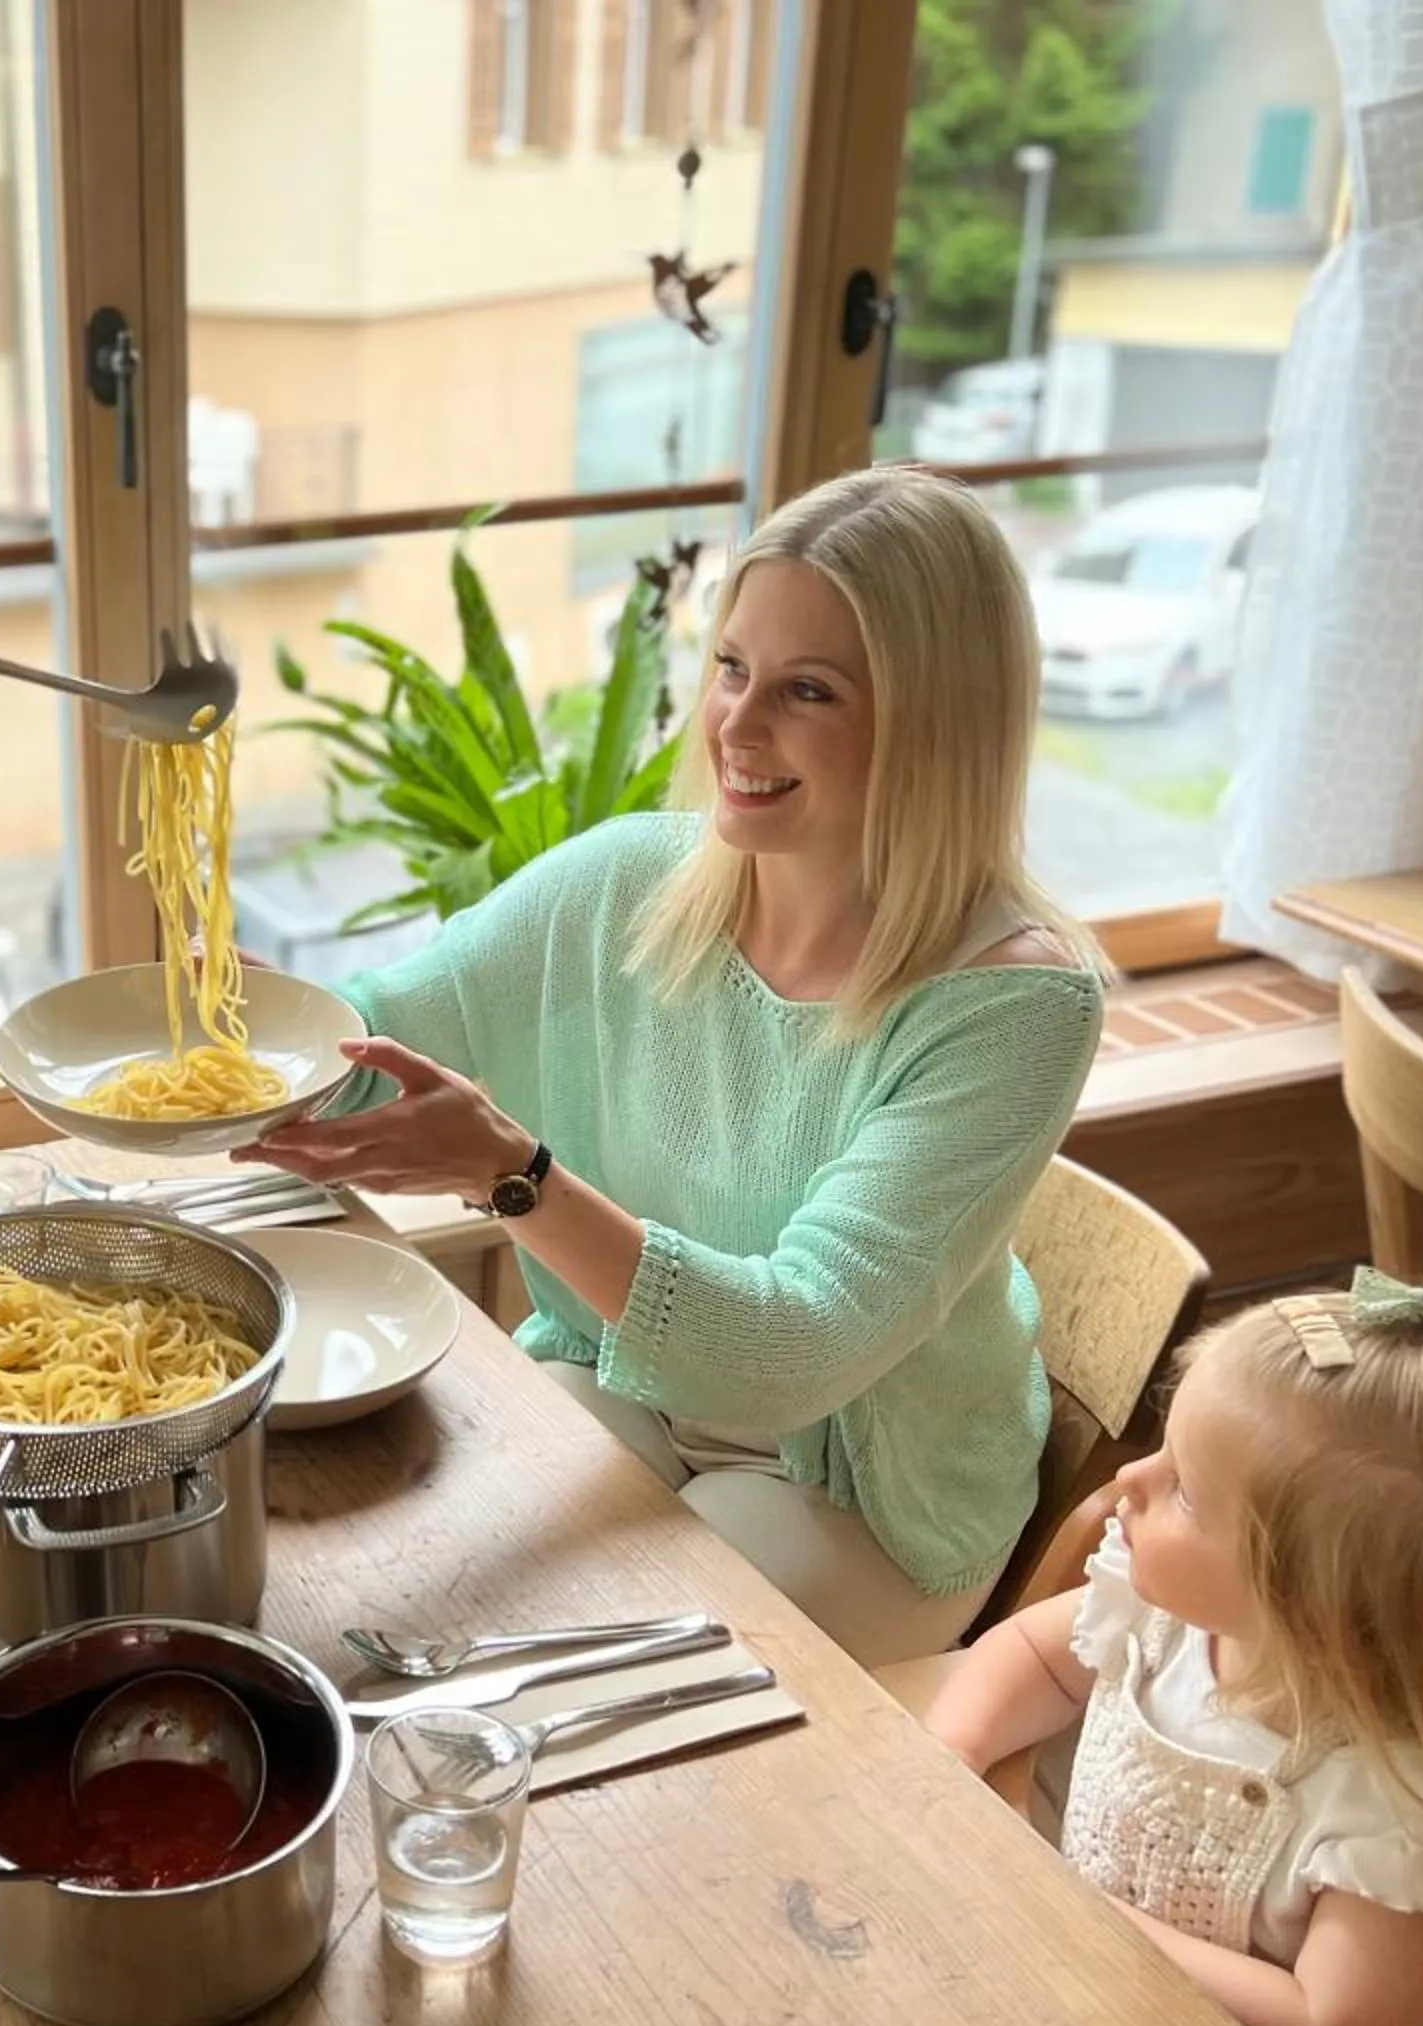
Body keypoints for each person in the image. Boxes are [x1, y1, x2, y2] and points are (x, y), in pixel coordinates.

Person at [244, 466, 1104, 1663]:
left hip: (860, 1488)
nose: (738, 729)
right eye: (732, 668)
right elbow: (377, 1037)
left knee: (578, 1671)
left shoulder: (1015, 1007)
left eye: (809, 691)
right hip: (627, 1381)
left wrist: (514, 1178)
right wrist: (236, 1021)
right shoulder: (626, 884)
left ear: (939, 721)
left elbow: (793, 1352)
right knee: (411, 1612)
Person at [925, 1275, 1423, 2026]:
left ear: (1310, 1605)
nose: (1128, 1482)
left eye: (1183, 1488)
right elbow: (1029, 1656)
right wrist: (951, 1753)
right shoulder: (1169, 1613)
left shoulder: (1403, 1802)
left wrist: (1080, 1918)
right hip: (1135, 2005)